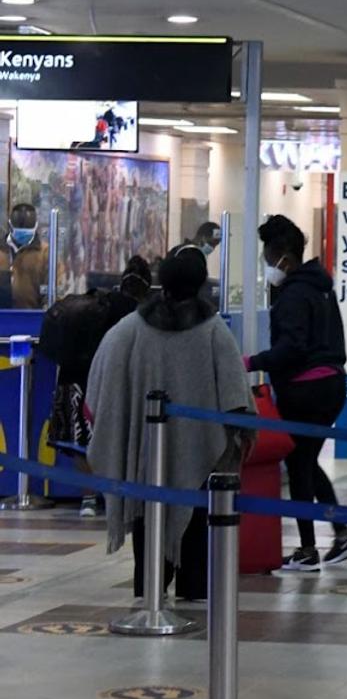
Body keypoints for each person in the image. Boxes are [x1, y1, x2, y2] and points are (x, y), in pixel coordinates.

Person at [86, 247, 251, 603]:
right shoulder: (215, 332)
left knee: (148, 523)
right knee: (195, 527)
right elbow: (238, 399)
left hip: (145, 455)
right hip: (201, 456)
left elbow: (101, 384)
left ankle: (150, 593)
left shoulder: (130, 328)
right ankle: (192, 592)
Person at [251, 214, 347, 572]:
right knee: (306, 459)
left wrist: (251, 362)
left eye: (268, 256)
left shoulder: (294, 294)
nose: (267, 264)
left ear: (282, 255)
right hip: (331, 384)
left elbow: (291, 349)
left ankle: (309, 549)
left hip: (306, 388)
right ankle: (340, 534)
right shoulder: (320, 286)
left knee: (299, 464)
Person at [42, 257, 149, 516]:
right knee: (115, 441)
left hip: (71, 380)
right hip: (104, 384)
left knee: (82, 442)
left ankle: (88, 499)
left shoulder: (96, 302)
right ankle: (118, 498)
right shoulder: (137, 315)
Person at [8, 202, 48, 309]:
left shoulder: (45, 253)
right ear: (10, 224)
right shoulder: (2, 251)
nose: (23, 230)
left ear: (35, 226)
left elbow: (55, 288)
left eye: (27, 226)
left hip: (32, 318)